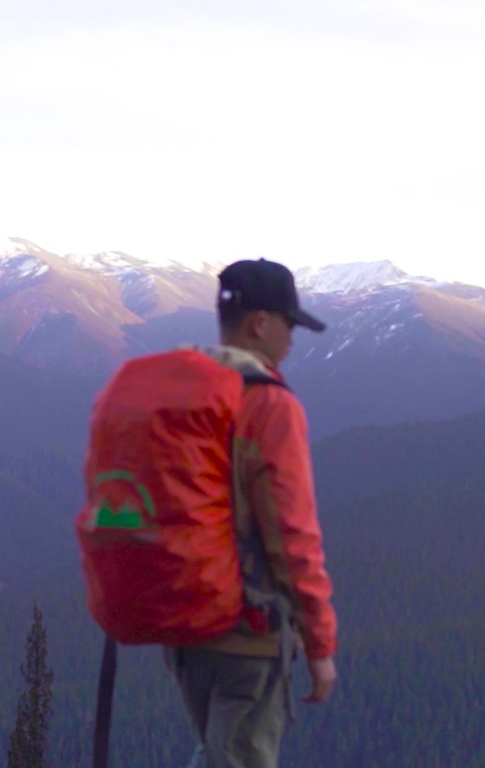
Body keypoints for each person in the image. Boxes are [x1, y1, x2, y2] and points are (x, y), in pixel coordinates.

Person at [165, 258, 338, 768]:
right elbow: (293, 536)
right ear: (260, 323)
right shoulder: (270, 405)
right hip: (246, 631)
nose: (292, 340)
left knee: (214, 750)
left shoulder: (181, 391)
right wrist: (319, 644)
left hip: (182, 629)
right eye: (289, 324)